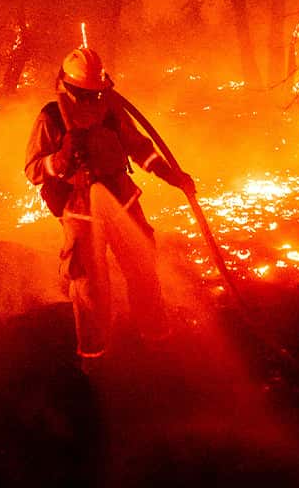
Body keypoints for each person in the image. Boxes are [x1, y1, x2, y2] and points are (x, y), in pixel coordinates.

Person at [25, 46, 194, 373]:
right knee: (88, 286)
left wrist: (170, 174)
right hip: (79, 210)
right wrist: (58, 161)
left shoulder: (112, 109)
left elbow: (140, 148)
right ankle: (94, 357)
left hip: (122, 202)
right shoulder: (51, 118)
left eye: (95, 94)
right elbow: (33, 170)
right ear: (68, 88)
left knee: (143, 269)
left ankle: (157, 339)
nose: (90, 102)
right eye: (83, 94)